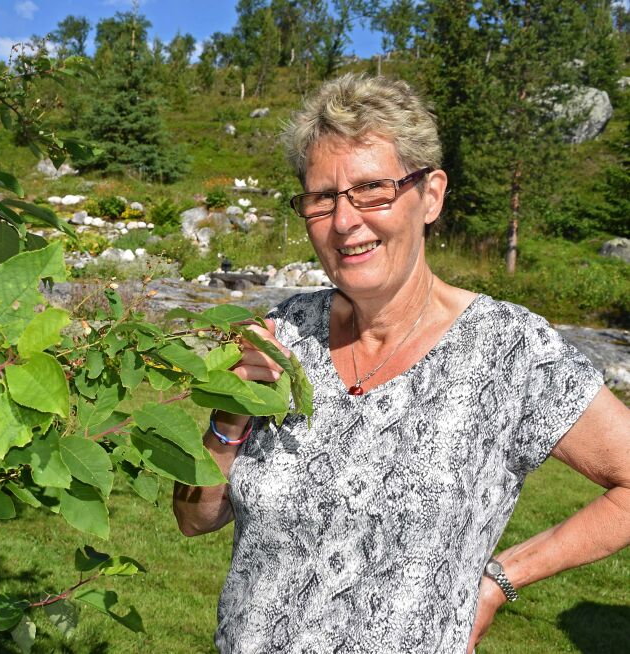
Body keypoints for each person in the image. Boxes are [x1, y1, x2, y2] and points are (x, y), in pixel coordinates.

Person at [173, 73, 630, 653]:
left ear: (431, 195)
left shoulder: (508, 350)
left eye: (372, 189)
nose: (344, 221)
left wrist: (500, 579)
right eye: (322, 198)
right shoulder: (282, 333)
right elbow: (193, 520)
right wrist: (228, 417)